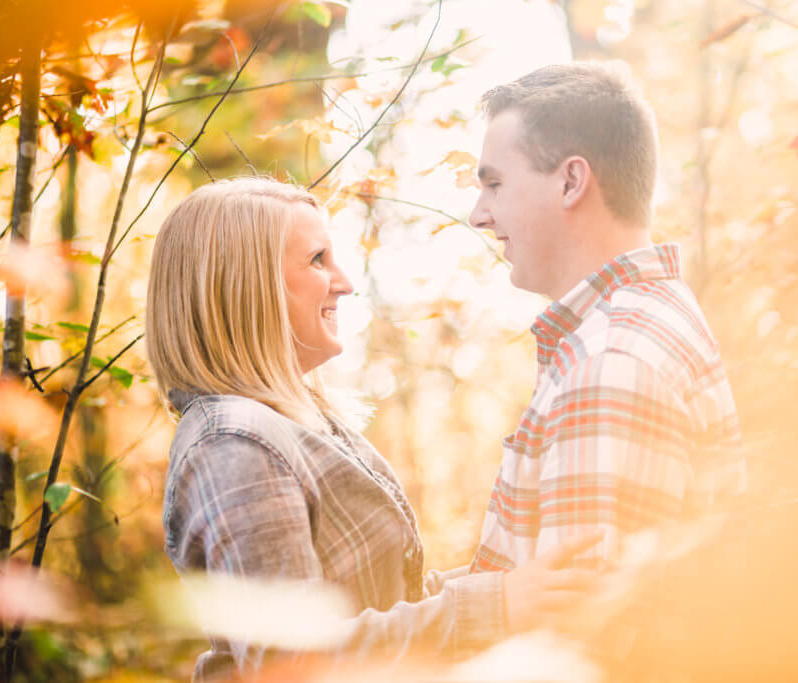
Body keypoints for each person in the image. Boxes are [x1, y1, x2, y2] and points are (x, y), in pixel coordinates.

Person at [145, 178, 599, 681]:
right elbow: (293, 663)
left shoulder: (291, 424)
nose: (345, 281)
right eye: (317, 260)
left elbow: (382, 601)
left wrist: (512, 585)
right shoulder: (233, 444)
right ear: (245, 284)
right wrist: (495, 605)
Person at [467, 63, 745, 573]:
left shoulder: (609, 362)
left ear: (571, 181)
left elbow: (580, 634)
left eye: (496, 184)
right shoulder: (640, 322)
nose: (478, 214)